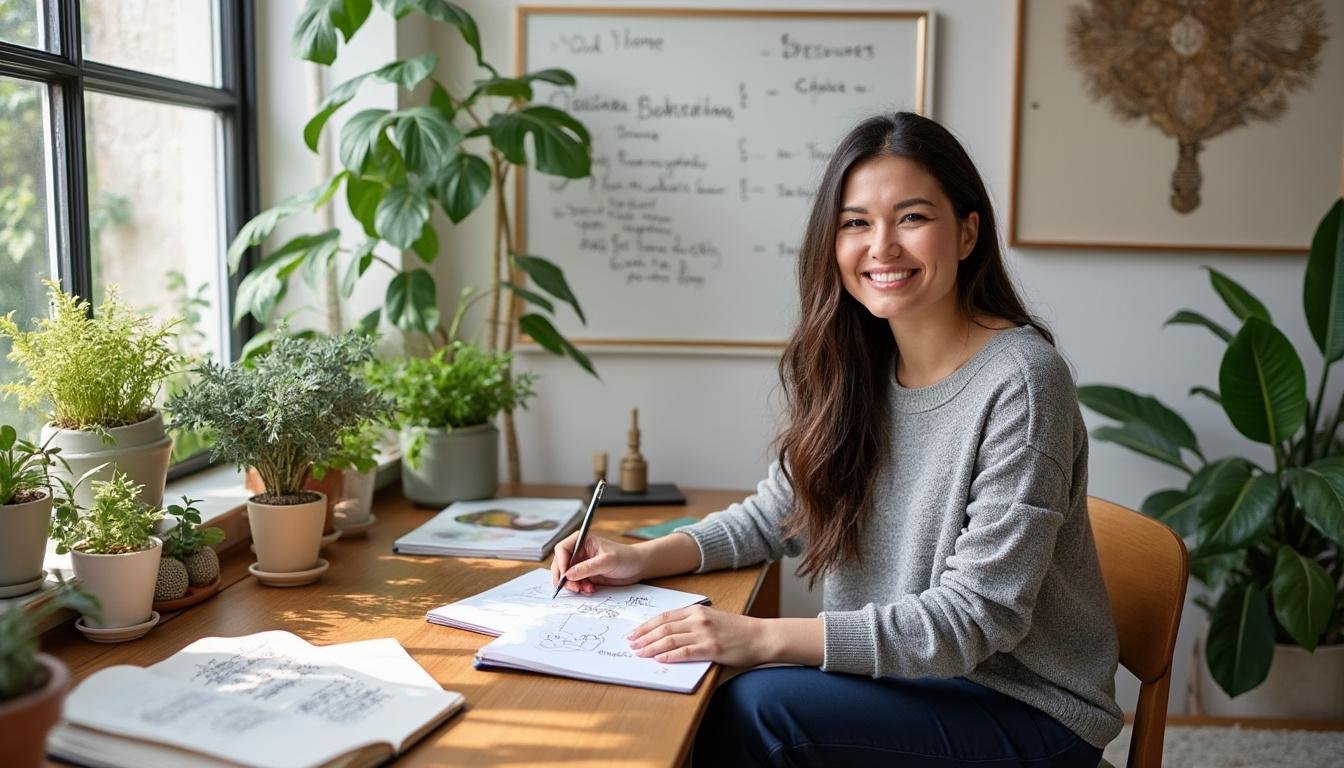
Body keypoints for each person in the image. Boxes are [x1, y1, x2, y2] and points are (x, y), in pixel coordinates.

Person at [550, 112, 1122, 767]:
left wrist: (760, 637)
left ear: (967, 233)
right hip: (912, 685)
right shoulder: (861, 364)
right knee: (720, 692)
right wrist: (642, 557)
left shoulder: (1021, 381)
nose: (882, 247)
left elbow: (977, 617)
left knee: (754, 710)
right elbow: (785, 508)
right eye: (856, 222)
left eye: (912, 218)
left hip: (1025, 712)